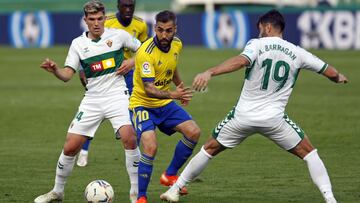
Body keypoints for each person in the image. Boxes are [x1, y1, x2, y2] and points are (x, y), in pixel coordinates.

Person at [160, 9, 348, 203]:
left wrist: (210, 72)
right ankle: (330, 199)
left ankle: (175, 189)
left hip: (242, 117)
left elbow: (241, 61)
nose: (259, 32)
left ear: (267, 27)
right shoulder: (298, 52)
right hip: (274, 120)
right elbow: (330, 72)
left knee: (208, 149)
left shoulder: (256, 44)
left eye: (260, 28)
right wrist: (339, 77)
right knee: (310, 154)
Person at [34, 1, 142, 203]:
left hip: (117, 95)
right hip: (92, 99)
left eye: (100, 18)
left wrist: (132, 61)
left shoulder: (118, 36)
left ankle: (136, 194)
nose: (96, 23)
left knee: (130, 137)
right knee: (70, 147)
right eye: (91, 19)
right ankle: (57, 191)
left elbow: (145, 50)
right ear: (85, 20)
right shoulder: (78, 44)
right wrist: (55, 70)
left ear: (104, 18)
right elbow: (67, 75)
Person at [129, 10, 201, 203]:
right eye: (160, 30)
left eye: (168, 31)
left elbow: (172, 65)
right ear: (155, 28)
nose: (163, 35)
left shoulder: (177, 44)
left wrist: (179, 87)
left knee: (193, 132)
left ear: (175, 29)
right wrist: (174, 94)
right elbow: (149, 88)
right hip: (142, 105)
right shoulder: (146, 53)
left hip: (165, 103)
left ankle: (169, 175)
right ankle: (141, 198)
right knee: (150, 147)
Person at [76, 0, 148, 168]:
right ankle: (84, 150)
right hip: (106, 73)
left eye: (131, 6)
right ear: (118, 7)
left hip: (131, 76)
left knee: (133, 113)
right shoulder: (106, 21)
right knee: (96, 113)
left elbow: (145, 49)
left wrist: (132, 63)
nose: (128, 9)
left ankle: (133, 157)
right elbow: (87, 46)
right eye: (125, 6)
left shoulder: (140, 24)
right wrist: (81, 68)